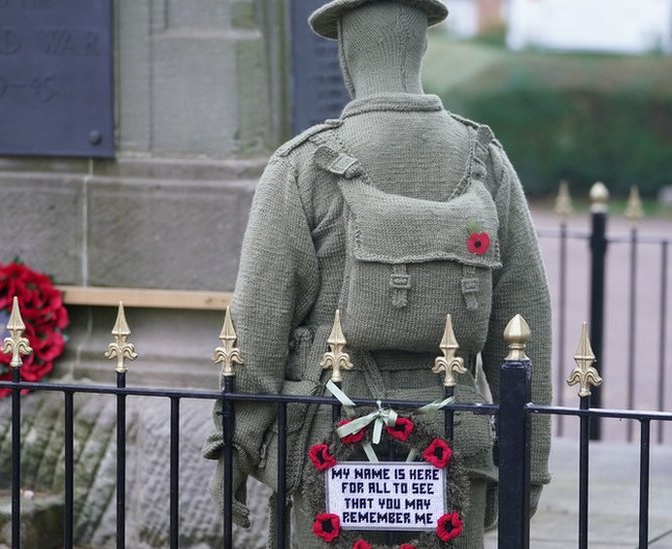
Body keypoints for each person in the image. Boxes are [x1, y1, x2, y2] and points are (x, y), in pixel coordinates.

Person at [204, 1, 552, 546]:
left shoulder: (302, 167)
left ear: (346, 52)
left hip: (330, 436)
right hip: (453, 437)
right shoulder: (484, 160)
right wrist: (529, 459)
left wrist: (236, 450)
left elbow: (255, 330)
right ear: (422, 45)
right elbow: (524, 320)